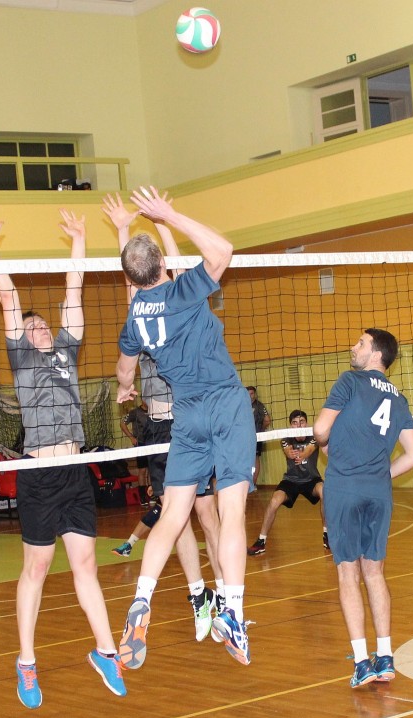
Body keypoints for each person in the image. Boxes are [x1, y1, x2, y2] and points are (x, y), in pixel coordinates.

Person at [0, 205, 125, 709]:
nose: (36, 328)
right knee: (36, 568)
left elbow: (74, 288)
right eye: (29, 326)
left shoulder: (66, 353)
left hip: (74, 470)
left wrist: (79, 238)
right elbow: (7, 295)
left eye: (40, 324)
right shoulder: (22, 360)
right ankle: (27, 661)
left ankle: (106, 651)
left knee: (86, 565)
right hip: (37, 473)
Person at [114, 186, 255, 667]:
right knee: (232, 511)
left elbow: (124, 370)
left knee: (173, 513)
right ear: (161, 266)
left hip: (186, 413)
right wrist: (168, 215)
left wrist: (125, 388)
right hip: (226, 403)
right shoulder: (183, 292)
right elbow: (223, 250)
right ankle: (232, 612)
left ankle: (141, 600)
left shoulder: (135, 318)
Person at [103, 195, 224, 641]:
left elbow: (155, 271)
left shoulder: (175, 300)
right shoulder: (143, 310)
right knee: (176, 513)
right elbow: (135, 281)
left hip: (184, 417)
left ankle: (222, 596)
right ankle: (199, 596)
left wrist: (148, 225)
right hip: (161, 425)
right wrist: (136, 227)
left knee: (204, 512)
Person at [313, 329, 413, 688]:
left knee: (348, 574)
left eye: (360, 343)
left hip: (344, 488)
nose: (353, 347)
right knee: (374, 573)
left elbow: (319, 430)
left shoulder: (350, 380)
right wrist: (380, 475)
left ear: (376, 354)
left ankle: (362, 662)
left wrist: (326, 444)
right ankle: (386, 657)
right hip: (378, 493)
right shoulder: (399, 397)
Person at [247, 409, 326, 556]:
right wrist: (291, 453)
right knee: (274, 501)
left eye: (301, 422)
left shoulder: (313, 436)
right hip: (291, 480)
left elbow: (309, 450)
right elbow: (288, 452)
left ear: (306, 423)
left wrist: (302, 454)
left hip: (311, 479)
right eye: (295, 423)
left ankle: (327, 535)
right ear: (291, 425)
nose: (299, 425)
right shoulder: (286, 438)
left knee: (324, 492)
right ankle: (261, 541)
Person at [120, 398, 151, 500]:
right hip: (140, 444)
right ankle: (142, 496)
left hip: (152, 444)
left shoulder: (153, 411)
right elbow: (122, 423)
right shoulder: (135, 412)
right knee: (142, 470)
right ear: (142, 400)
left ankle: (153, 494)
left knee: (152, 469)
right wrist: (131, 437)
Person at [248, 387, 271, 485]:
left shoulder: (259, 405)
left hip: (256, 436)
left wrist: (261, 430)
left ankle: (253, 483)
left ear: (255, 394)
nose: (250, 396)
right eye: (248, 394)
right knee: (246, 458)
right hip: (243, 437)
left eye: (252, 393)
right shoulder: (242, 405)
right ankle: (246, 484)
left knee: (255, 457)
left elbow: (267, 420)